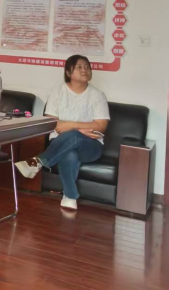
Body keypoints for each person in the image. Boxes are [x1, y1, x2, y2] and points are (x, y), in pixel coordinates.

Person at [15, 55, 109, 210]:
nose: (85, 70)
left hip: (91, 146)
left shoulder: (98, 95)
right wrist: (80, 129)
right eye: (79, 67)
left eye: (87, 67)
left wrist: (71, 125)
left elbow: (101, 126)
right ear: (68, 72)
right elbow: (51, 121)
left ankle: (38, 162)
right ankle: (70, 196)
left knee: (74, 135)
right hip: (61, 142)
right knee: (69, 153)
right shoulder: (57, 91)